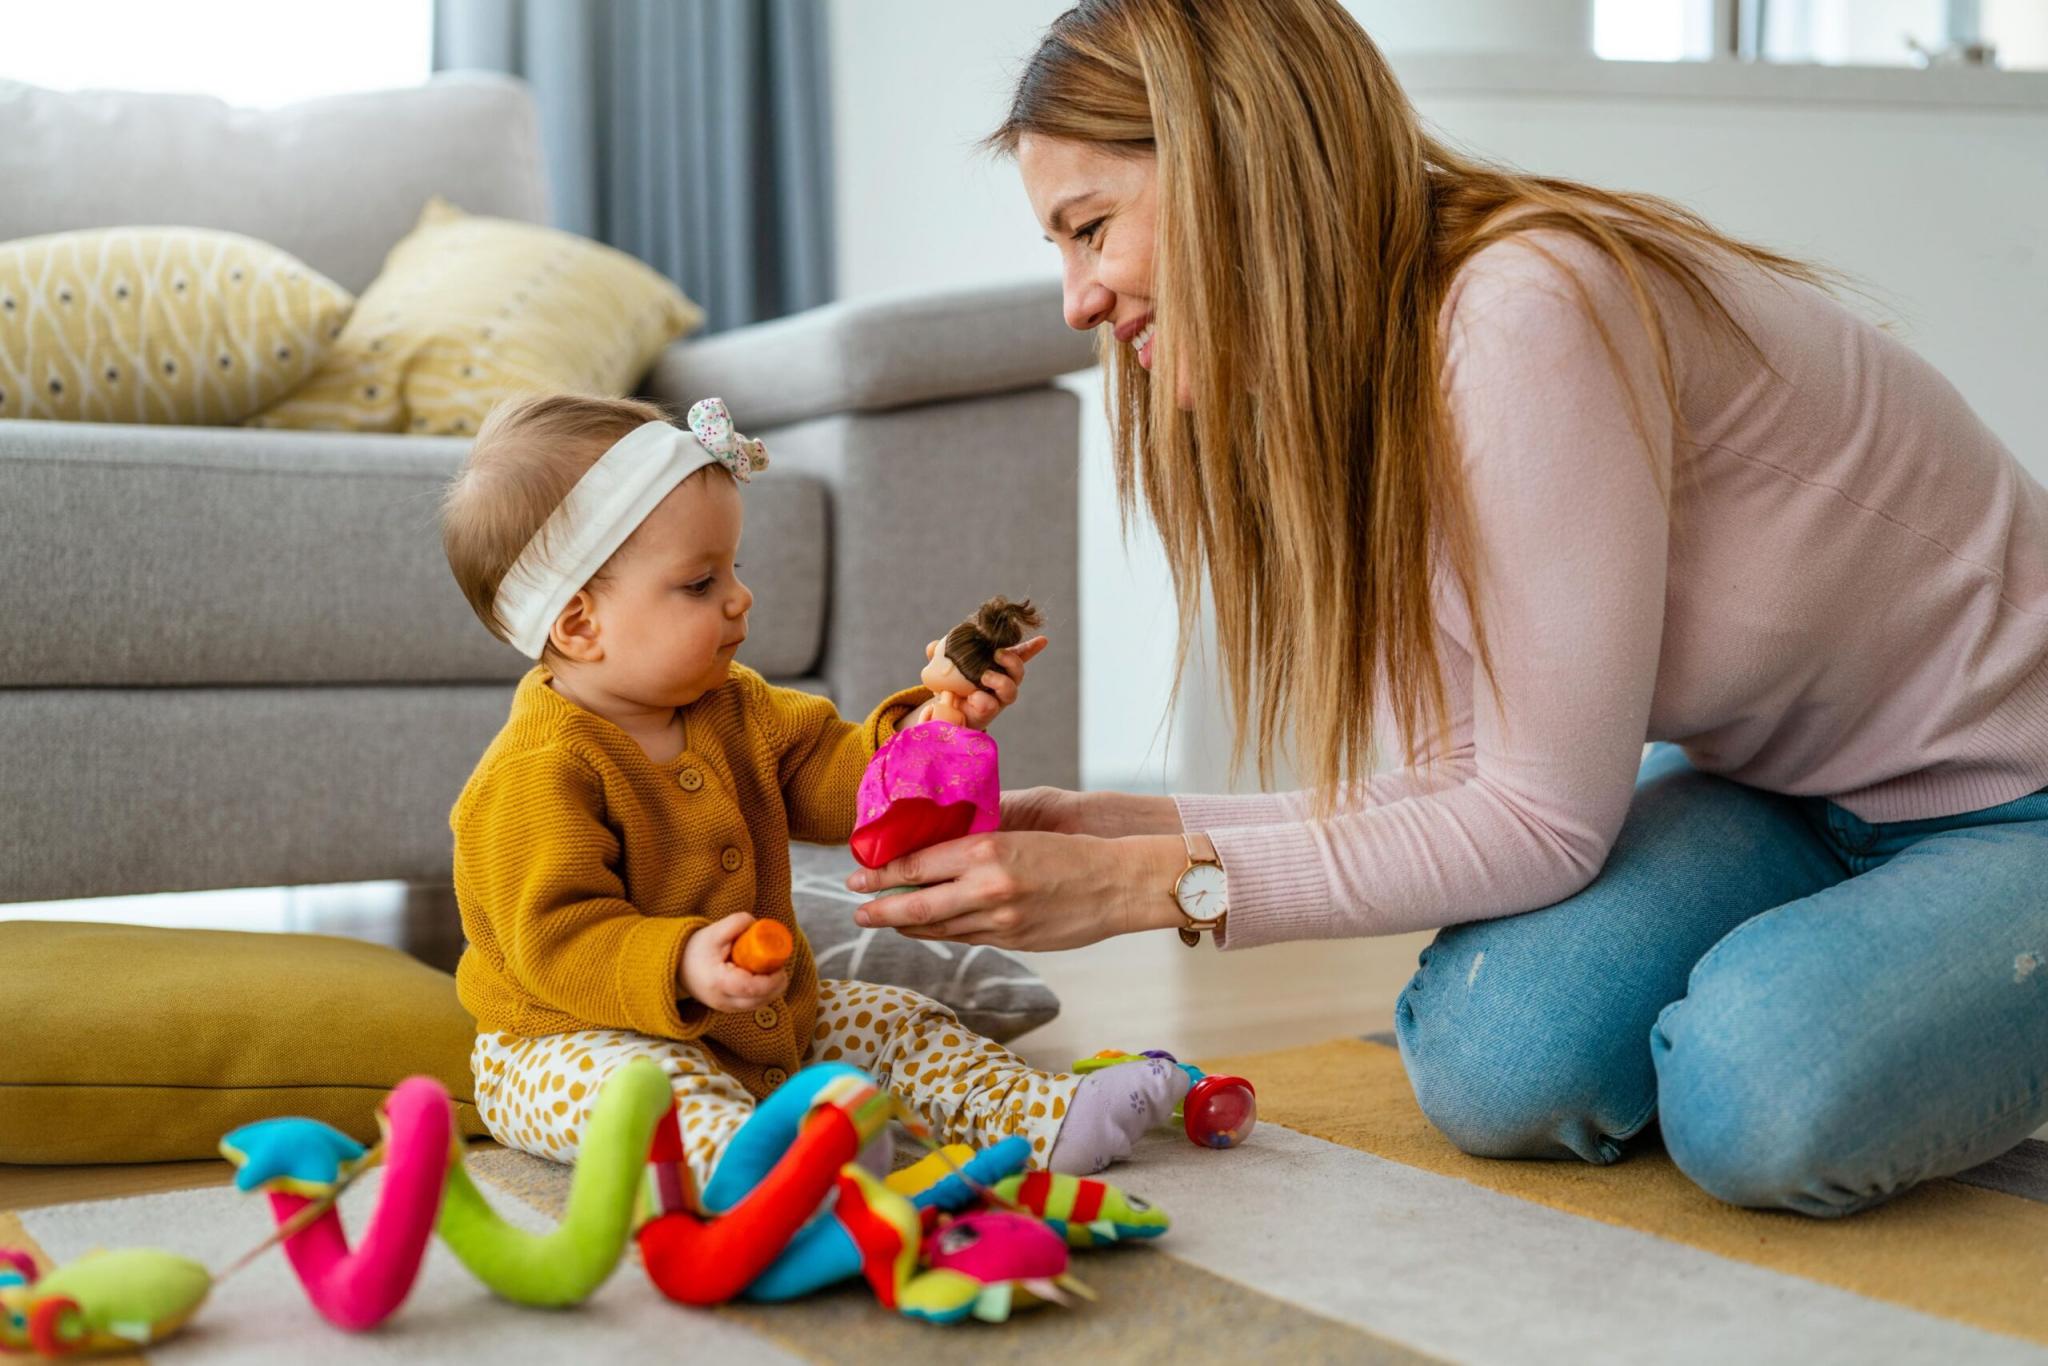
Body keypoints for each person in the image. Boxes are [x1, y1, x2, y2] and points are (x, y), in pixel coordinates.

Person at [846, 0, 2048, 1217]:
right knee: (1499, 1060)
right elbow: (1469, 781)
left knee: (1755, 1092)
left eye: (1089, 230)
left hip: (2016, 797)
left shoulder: (1520, 311)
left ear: (1231, 159)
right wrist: (1114, 829)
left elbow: (1541, 826)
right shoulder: (1358, 388)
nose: (1075, 302)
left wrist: (1142, 888)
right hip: (1785, 791)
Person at [437, 391, 1187, 1185]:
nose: (739, 596)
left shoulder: (739, 706)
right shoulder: (536, 772)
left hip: (754, 1024)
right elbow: (558, 943)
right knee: (649, 1094)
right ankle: (769, 1179)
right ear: (579, 625)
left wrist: (935, 724)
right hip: (566, 1043)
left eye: (735, 568)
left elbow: (842, 780)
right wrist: (684, 960)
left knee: (903, 1022)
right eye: (699, 583)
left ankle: (1044, 1118)